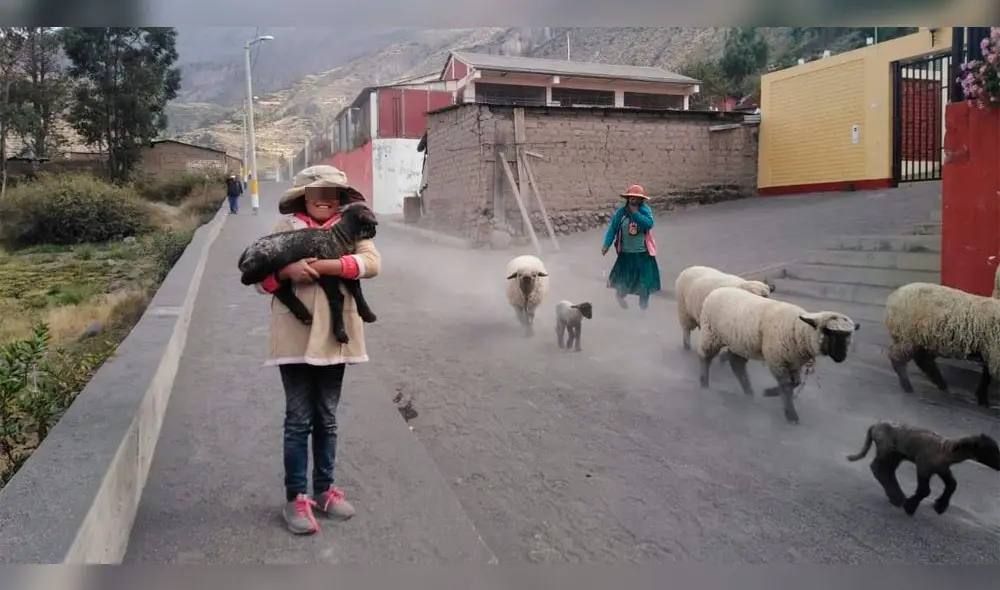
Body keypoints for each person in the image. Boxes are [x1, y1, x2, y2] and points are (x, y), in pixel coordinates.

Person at [252, 165, 381, 535]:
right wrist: (287, 273)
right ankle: (296, 497)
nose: (324, 199)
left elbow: (372, 263)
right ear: (303, 197)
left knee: (326, 417)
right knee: (298, 420)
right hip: (293, 337)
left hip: (334, 341)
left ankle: (324, 490)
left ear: (341, 199)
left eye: (332, 193)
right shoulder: (284, 230)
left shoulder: (352, 228)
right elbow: (261, 281)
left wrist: (326, 265)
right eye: (316, 192)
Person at [601, 184, 661, 310]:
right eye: (631, 198)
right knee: (623, 283)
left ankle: (643, 310)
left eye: (637, 198)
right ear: (627, 199)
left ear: (641, 200)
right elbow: (613, 229)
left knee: (644, 285)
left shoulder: (645, 211)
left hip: (643, 255)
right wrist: (606, 244)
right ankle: (620, 297)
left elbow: (649, 224)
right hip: (626, 255)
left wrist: (635, 214)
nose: (634, 201)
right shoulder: (621, 213)